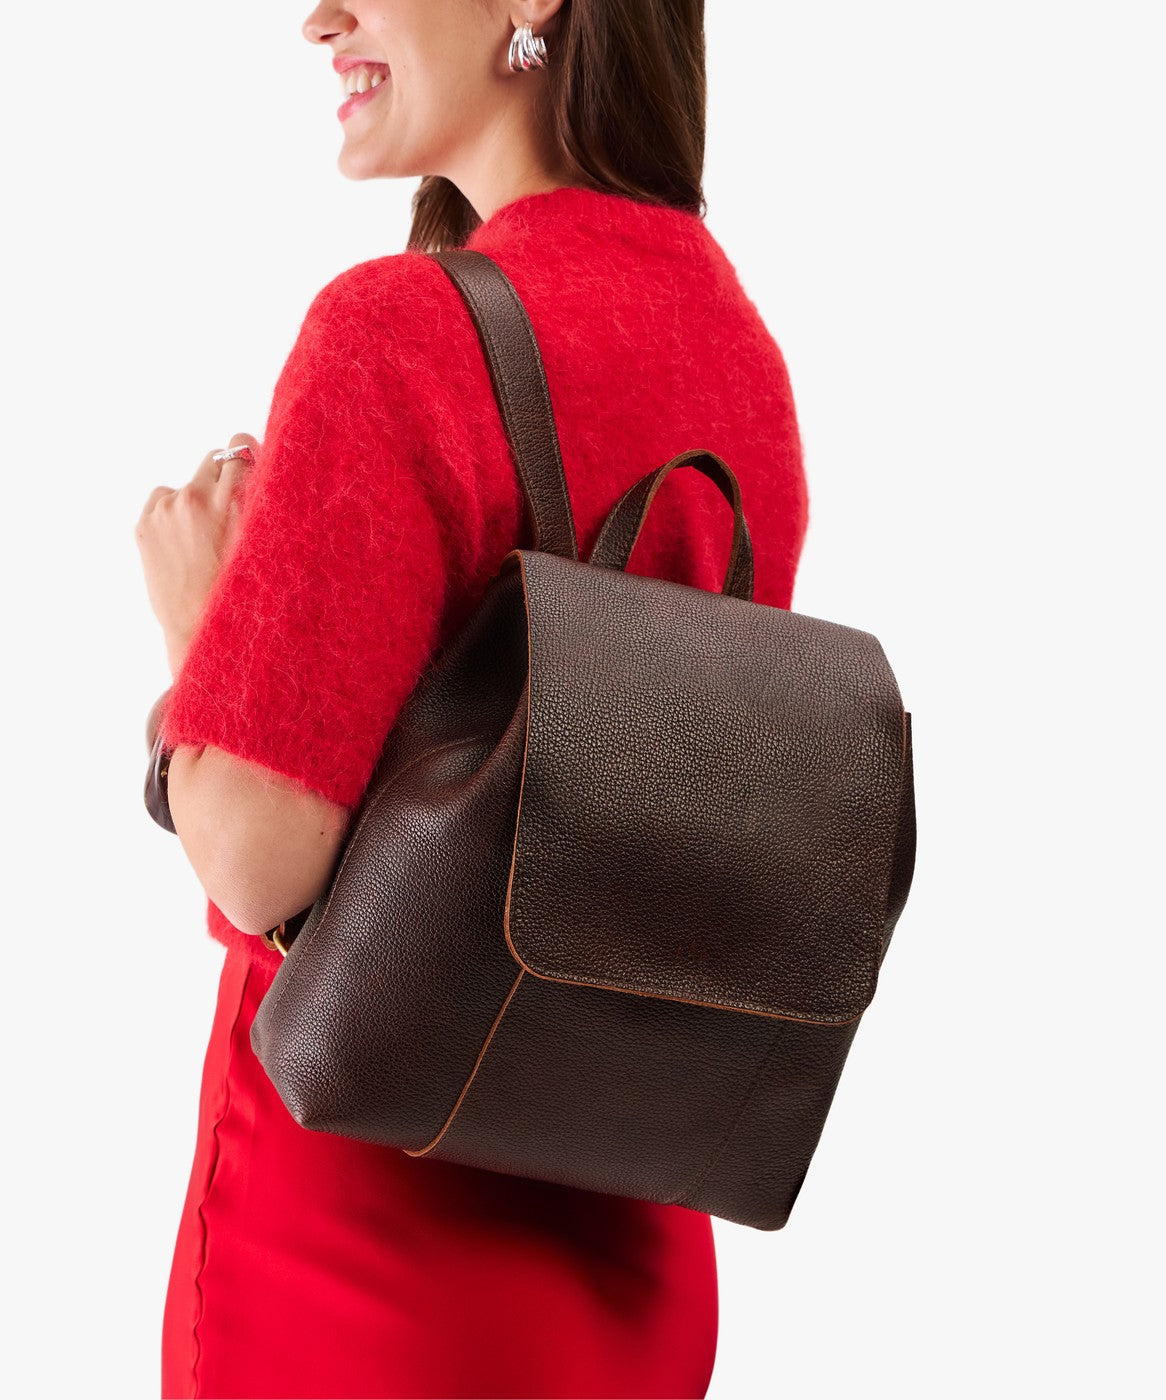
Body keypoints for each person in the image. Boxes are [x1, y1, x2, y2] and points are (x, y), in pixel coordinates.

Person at [134, 2, 808, 1396]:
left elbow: (257, 854)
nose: (320, 17)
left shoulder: (396, 331)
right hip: (637, 1252)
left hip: (372, 1266)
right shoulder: (735, 350)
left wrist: (204, 630)